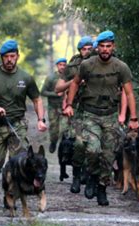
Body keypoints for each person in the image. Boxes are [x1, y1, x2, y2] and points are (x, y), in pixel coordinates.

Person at [63, 30, 139, 206]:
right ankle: (91, 175)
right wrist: (69, 105)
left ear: (113, 47)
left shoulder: (121, 67)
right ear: (98, 48)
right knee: (92, 150)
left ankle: (102, 188)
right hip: (90, 114)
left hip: (110, 115)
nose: (105, 49)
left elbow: (129, 92)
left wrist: (133, 117)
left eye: (108, 46)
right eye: (102, 46)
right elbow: (74, 83)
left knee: (108, 155)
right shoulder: (87, 65)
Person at [0, 39, 47, 188]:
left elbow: (37, 100)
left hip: (17, 124)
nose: (9, 60)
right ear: (1, 57)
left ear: (17, 56)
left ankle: (13, 193)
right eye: (6, 57)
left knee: (19, 162)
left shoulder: (26, 77)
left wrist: (41, 119)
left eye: (12, 56)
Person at [55, 36, 93, 194]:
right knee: (78, 144)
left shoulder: (101, 62)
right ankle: (77, 176)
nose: (87, 51)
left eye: (90, 48)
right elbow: (59, 88)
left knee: (96, 147)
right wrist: (75, 82)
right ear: (79, 50)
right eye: (84, 49)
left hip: (97, 108)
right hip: (77, 109)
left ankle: (91, 176)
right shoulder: (72, 66)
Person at [41, 57, 67, 153]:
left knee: (65, 128)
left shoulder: (69, 77)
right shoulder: (51, 78)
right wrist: (55, 94)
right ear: (57, 66)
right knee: (54, 129)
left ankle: (64, 147)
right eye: (60, 65)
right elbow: (43, 92)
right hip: (53, 107)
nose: (62, 67)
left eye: (64, 65)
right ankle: (53, 142)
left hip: (65, 107)